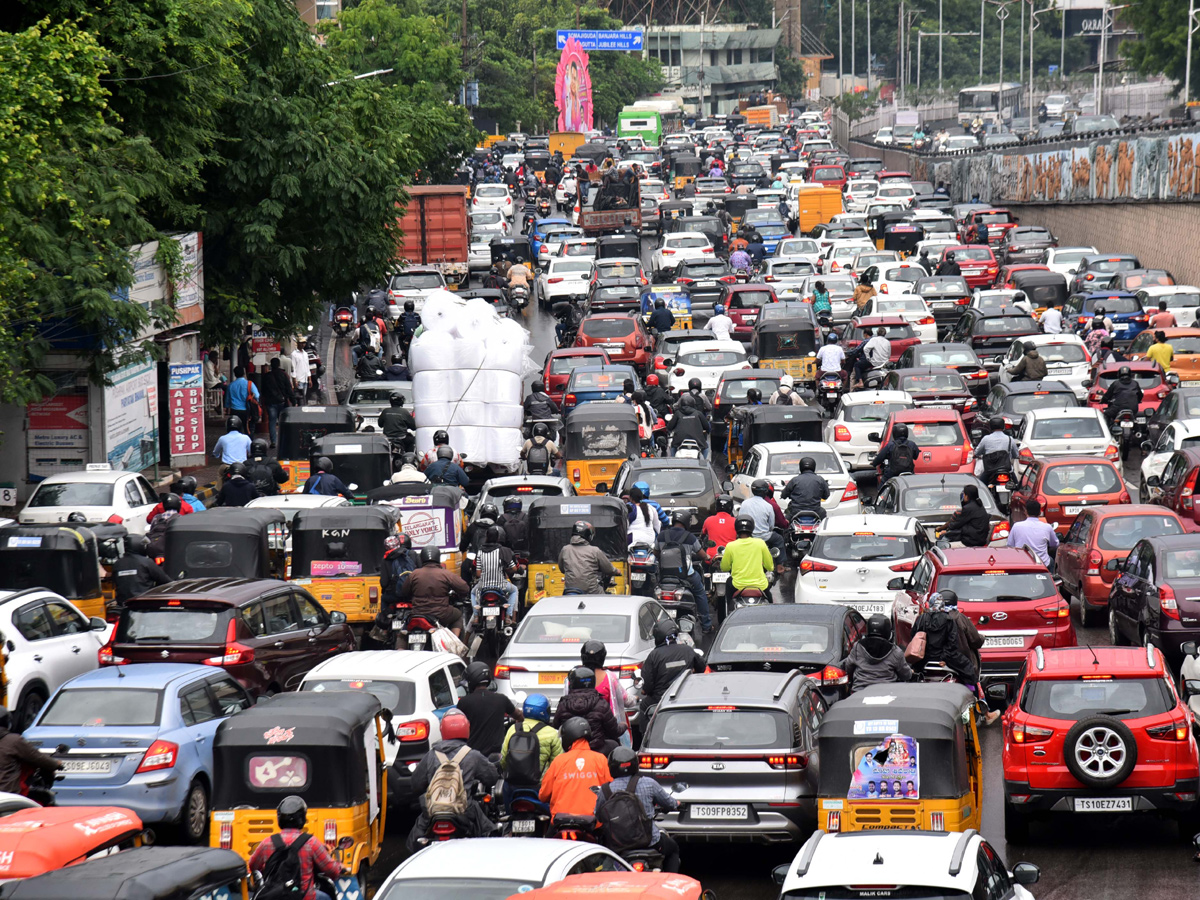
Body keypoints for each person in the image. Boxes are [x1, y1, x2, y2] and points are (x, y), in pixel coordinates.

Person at [407, 711, 499, 848]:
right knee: (491, 836)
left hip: (433, 812)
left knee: (413, 843)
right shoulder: (473, 755)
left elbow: (415, 785)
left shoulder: (431, 755)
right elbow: (492, 778)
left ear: (442, 729)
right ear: (466, 729)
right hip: (463, 811)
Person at [595, 748, 681, 873]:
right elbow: (670, 803)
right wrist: (677, 804)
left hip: (618, 846)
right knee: (673, 849)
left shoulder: (605, 790)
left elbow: (598, 815)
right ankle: (670, 885)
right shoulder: (648, 783)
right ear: (635, 764)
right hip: (651, 842)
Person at [248, 796, 347, 900]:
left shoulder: (267, 843)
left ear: (279, 818)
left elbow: (253, 865)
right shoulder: (311, 843)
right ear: (302, 818)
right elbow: (332, 871)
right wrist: (340, 867)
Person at [539, 717, 611, 819]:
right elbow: (609, 791)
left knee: (548, 834)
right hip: (593, 822)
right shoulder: (600, 759)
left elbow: (543, 795)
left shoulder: (559, 761)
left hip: (561, 821)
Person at [657, 512, 713, 633]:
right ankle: (706, 625)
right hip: (687, 576)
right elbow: (701, 554)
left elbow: (656, 553)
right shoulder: (690, 537)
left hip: (664, 577)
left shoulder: (662, 536)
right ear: (687, 523)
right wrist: (707, 557)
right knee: (700, 593)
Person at [910, 590, 977, 687]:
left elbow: (913, 636)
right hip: (947, 658)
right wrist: (944, 658)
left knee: (911, 674)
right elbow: (952, 643)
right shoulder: (949, 620)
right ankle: (974, 697)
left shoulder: (922, 618)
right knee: (969, 670)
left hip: (924, 658)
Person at [457, 661, 521, 756]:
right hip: (496, 755)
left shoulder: (464, 702)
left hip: (472, 755)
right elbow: (519, 715)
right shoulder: (502, 699)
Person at [401, 546, 469, 636]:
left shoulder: (414, 574)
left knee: (403, 633)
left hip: (417, 613)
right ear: (438, 558)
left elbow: (404, 592)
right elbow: (464, 587)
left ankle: (400, 648)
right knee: (458, 615)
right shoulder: (445, 574)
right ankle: (454, 643)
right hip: (441, 614)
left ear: (422, 558)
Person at [552, 667, 623, 753]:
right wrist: (624, 725)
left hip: (569, 750)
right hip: (597, 750)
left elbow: (556, 727)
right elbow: (614, 731)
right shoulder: (601, 703)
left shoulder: (563, 704)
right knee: (614, 744)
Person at [639, 618, 704, 712]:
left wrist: (645, 690)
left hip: (660, 699)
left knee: (643, 706)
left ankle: (648, 727)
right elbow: (701, 667)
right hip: (686, 695)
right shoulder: (687, 650)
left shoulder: (654, 655)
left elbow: (648, 684)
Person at [501, 694, 562, 788]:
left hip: (514, 785)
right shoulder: (552, 733)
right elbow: (557, 765)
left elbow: (504, 759)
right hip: (539, 786)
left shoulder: (513, 729)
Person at [840, 614, 912, 692]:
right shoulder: (896, 651)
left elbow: (848, 667)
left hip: (859, 693)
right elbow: (906, 675)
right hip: (887, 695)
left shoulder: (858, 647)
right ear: (889, 633)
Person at [465, 526, 520, 626]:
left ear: (486, 536)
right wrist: (504, 569)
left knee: (472, 593)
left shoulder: (480, 551)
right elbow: (514, 569)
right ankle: (508, 616)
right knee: (515, 590)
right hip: (501, 586)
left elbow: (478, 574)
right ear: (498, 538)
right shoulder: (503, 551)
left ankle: (476, 616)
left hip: (483, 587)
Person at [558, 521, 618, 595]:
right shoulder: (595, 551)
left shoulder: (565, 549)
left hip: (570, 590)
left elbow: (562, 569)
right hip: (591, 591)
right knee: (604, 598)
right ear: (589, 535)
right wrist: (617, 571)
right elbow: (609, 569)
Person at [112, 534, 171, 604]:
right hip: (143, 603)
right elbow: (165, 580)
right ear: (139, 546)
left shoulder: (117, 564)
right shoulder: (146, 562)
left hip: (123, 604)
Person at [738, 480, 786, 560]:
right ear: (766, 491)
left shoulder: (744, 503)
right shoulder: (768, 506)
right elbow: (771, 525)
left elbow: (740, 518)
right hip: (765, 537)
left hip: (748, 536)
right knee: (779, 539)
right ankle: (780, 565)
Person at [1007, 498, 1060, 569]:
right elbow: (1055, 544)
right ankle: (1051, 578)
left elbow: (1010, 545)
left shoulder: (1016, 526)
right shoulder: (1047, 527)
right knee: (1051, 561)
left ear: (1025, 512)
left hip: (1021, 562)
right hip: (1042, 564)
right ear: (1039, 512)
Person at [938, 483, 991, 548]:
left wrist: (946, 530)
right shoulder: (979, 505)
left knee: (943, 545)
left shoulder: (968, 508)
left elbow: (958, 523)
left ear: (967, 496)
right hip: (980, 539)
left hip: (970, 541)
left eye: (964, 494)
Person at [973, 416, 1017, 483]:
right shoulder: (1009, 439)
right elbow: (1016, 455)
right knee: (1017, 486)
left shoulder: (986, 439)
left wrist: (977, 455)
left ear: (991, 427)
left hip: (990, 470)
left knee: (980, 486)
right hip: (1007, 469)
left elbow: (977, 452)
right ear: (1003, 427)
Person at [260, 358, 293, 448]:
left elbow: (263, 390)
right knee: (283, 422)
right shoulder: (283, 375)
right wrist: (293, 401)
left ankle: (273, 441)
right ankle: (284, 440)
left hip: (270, 402)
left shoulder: (266, 376)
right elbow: (289, 389)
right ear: (279, 365)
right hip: (282, 401)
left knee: (272, 422)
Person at [700, 495, 737, 561]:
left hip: (711, 557)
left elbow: (702, 536)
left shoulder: (708, 520)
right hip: (731, 557)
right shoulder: (735, 521)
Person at [225, 366, 260, 431]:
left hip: (234, 410)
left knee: (236, 429)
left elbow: (227, 400)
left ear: (235, 374)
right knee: (249, 429)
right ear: (244, 373)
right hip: (247, 410)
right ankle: (249, 440)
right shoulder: (250, 384)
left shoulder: (231, 385)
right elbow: (257, 396)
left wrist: (227, 407)